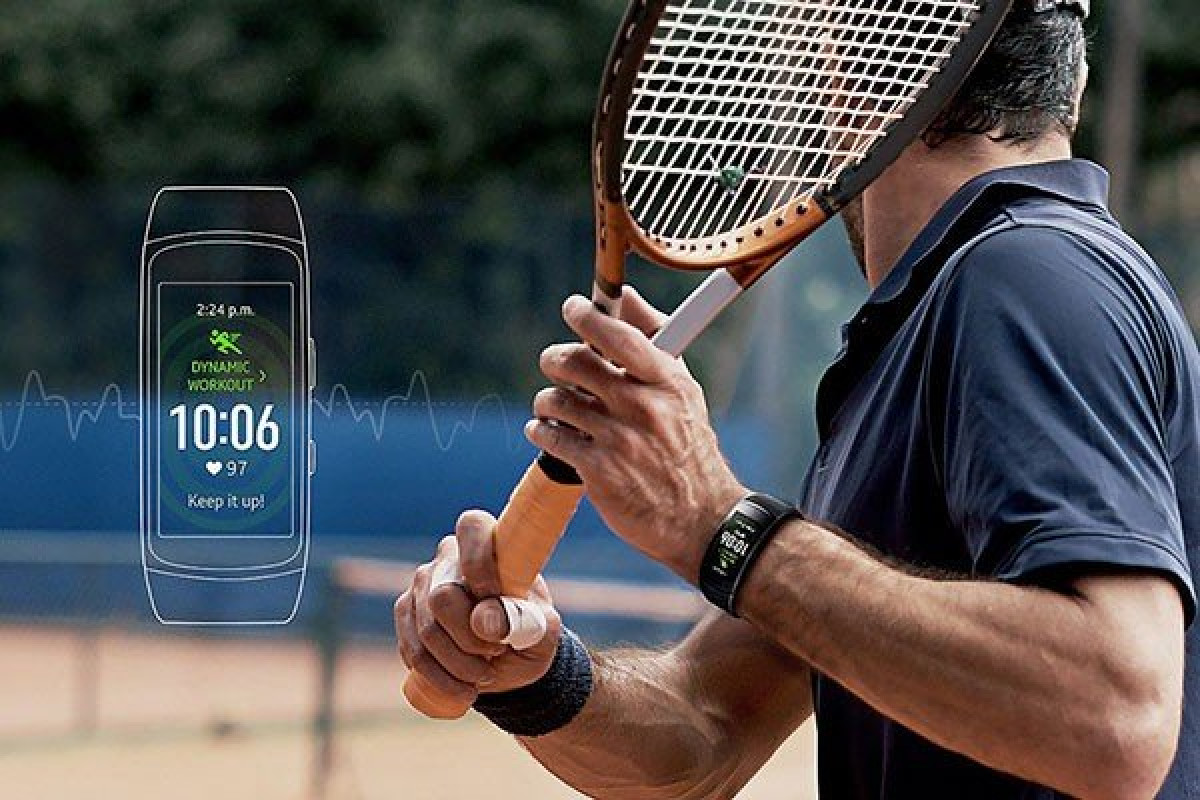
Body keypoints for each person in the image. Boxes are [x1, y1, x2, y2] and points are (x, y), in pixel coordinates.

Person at [395, 2, 1200, 797]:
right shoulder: (954, 312)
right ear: (1072, 86)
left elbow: (1115, 719)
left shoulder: (1024, 276)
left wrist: (718, 523)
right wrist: (536, 676)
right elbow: (709, 731)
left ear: (846, 70)